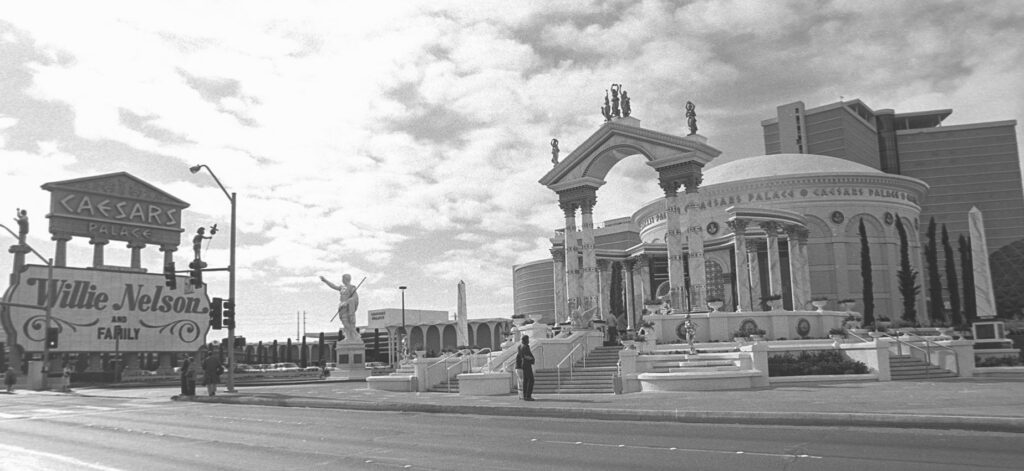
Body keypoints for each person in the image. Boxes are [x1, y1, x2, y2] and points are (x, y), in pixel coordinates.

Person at [320, 274, 360, 342]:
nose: (342, 280)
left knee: (349, 322)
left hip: (348, 307)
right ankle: (349, 336)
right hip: (342, 307)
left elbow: (355, 298)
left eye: (343, 278)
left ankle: (355, 335)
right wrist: (325, 281)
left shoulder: (352, 287)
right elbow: (333, 286)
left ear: (346, 279)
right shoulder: (342, 287)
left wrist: (347, 302)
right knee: (344, 323)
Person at [515, 335, 535, 401]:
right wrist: (531, 359)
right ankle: (528, 396)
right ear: (526, 340)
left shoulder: (519, 346)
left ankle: (525, 395)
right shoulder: (525, 347)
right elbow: (525, 356)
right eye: (528, 339)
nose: (529, 341)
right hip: (527, 364)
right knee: (531, 379)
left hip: (523, 365)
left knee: (526, 380)